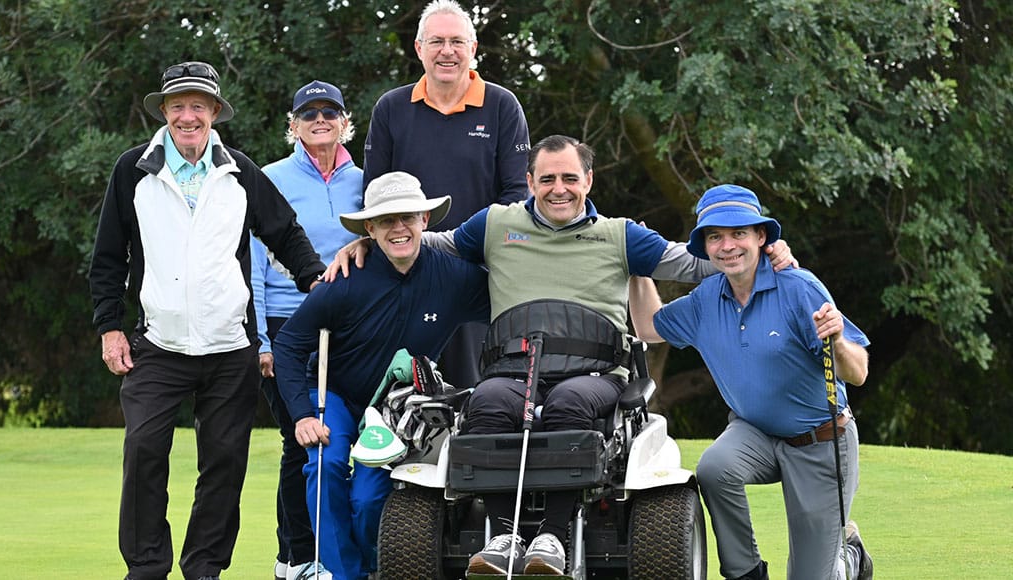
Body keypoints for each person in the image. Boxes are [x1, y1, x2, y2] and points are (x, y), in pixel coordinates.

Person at [328, 135, 796, 576]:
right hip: (512, 371)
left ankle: (552, 536)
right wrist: (370, 240)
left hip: (595, 375)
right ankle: (505, 536)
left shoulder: (620, 235)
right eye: (548, 178)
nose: (559, 189)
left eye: (570, 178)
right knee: (486, 401)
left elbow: (693, 262)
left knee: (569, 402)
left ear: (588, 181)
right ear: (529, 182)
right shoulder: (495, 224)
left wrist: (762, 249)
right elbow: (435, 243)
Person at [89, 61, 326, 580]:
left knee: (223, 463)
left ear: (214, 111)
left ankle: (204, 569)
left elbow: (284, 233)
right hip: (158, 344)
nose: (188, 116)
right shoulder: (133, 170)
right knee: (143, 450)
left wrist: (317, 282)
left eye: (198, 106)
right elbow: (107, 258)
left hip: (229, 346)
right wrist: (110, 326)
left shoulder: (240, 171)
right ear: (164, 111)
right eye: (178, 106)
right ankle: (146, 568)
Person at [627, 184, 873, 580]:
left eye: (738, 233)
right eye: (715, 236)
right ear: (705, 245)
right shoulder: (707, 298)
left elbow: (857, 372)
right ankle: (746, 573)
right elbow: (647, 327)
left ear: (761, 236)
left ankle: (848, 557)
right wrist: (638, 268)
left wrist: (839, 341)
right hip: (755, 433)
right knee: (714, 468)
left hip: (820, 441)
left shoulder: (799, 287)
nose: (727, 246)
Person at [272, 172, 491, 580]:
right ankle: (343, 575)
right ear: (369, 229)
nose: (399, 228)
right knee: (325, 465)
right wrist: (301, 415)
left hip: (398, 405)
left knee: (370, 496)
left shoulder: (454, 276)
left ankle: (374, 568)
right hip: (335, 395)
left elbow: (509, 298)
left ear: (425, 220)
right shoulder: (342, 280)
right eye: (386, 220)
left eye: (407, 217)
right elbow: (288, 345)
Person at [363, 0, 532, 391]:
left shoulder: (502, 105)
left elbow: (515, 197)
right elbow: (374, 197)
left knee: (477, 392)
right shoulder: (391, 108)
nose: (447, 51)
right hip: (408, 272)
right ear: (419, 48)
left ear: (473, 49)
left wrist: (470, 250)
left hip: (478, 273)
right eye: (436, 41)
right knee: (407, 391)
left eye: (457, 41)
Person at [250, 80, 363, 580]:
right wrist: (261, 339)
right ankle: (297, 556)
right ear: (293, 125)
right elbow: (252, 264)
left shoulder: (365, 182)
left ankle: (329, 554)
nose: (320, 120)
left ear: (345, 122)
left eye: (330, 112)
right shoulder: (269, 178)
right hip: (285, 324)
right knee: (298, 439)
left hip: (349, 329)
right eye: (309, 113)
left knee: (341, 440)